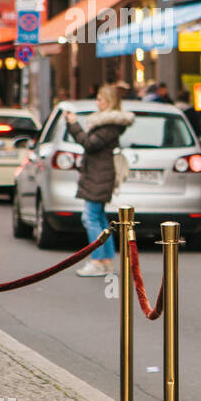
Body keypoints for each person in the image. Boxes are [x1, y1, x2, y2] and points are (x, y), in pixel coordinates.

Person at [65, 85, 134, 277]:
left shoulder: (109, 124)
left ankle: (97, 260)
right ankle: (106, 260)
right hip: (98, 173)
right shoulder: (107, 124)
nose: (97, 103)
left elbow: (89, 144)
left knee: (90, 218)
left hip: (99, 174)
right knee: (99, 217)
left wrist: (74, 124)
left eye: (100, 99)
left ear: (109, 102)